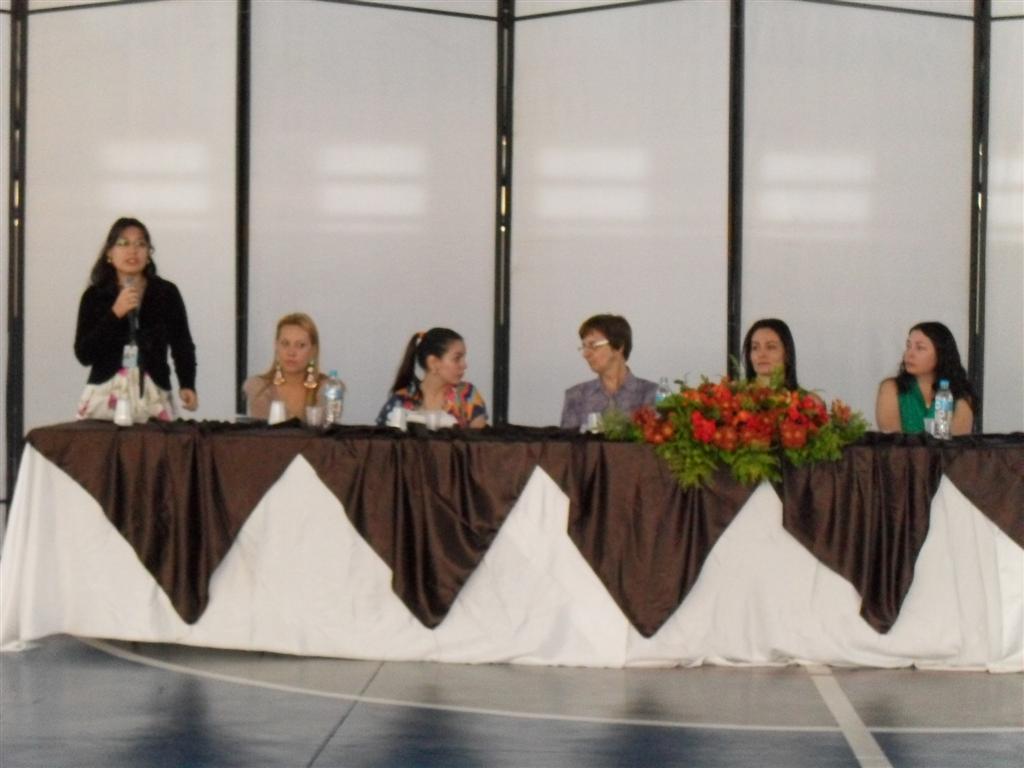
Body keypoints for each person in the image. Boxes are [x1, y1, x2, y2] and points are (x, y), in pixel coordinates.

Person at [75, 217, 197, 420]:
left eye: (140, 244)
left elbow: (181, 343)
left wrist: (187, 383)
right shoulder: (94, 296)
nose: (132, 251)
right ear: (109, 253)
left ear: (149, 253)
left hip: (154, 393)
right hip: (105, 396)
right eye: (123, 243)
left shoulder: (166, 292)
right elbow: (84, 354)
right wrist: (115, 313)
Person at [875, 321, 976, 435]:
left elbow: (959, 441)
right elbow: (892, 439)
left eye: (920, 348)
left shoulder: (959, 395)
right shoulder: (891, 388)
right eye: (908, 346)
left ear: (941, 354)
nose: (909, 354)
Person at [560, 314, 657, 430]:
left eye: (593, 345)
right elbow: (567, 441)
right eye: (584, 347)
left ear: (619, 346)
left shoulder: (652, 394)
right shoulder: (576, 396)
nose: (585, 354)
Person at [376, 327, 487, 428]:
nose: (464, 365)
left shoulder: (467, 395)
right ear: (433, 363)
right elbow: (383, 441)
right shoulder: (401, 400)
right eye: (457, 359)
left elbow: (480, 441)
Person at [244, 313, 332, 422]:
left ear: (313, 350)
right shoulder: (259, 388)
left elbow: (324, 429)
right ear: (276, 346)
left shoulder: (327, 388)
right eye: (285, 344)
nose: (291, 352)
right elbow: (263, 431)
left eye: (300, 345)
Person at [742, 318, 799, 389]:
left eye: (770, 347)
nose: (761, 354)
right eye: (755, 347)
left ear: (787, 353)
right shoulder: (735, 394)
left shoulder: (805, 396)